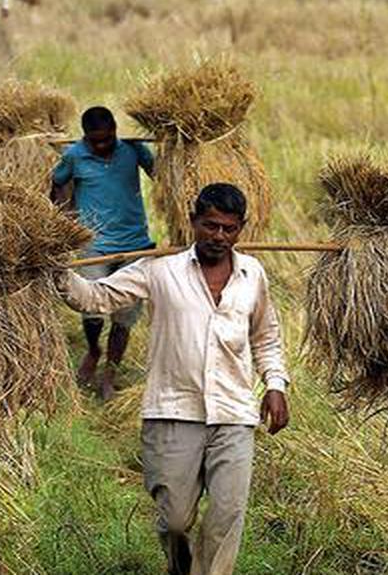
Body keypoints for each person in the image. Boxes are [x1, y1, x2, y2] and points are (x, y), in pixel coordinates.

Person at [60, 183, 290, 575]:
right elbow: (96, 298)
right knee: (176, 521)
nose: (219, 237)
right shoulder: (159, 268)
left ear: (242, 228)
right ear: (193, 221)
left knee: (226, 514)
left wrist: (275, 385)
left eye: (229, 229)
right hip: (173, 412)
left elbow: (266, 336)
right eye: (210, 226)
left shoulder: (253, 274)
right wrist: (56, 271)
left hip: (234, 414)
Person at [51, 106, 156, 401]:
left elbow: (162, 176)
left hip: (135, 244)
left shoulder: (135, 150)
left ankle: (110, 372)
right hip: (94, 246)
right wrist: (65, 220)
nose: (101, 146)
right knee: (91, 307)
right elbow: (57, 184)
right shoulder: (73, 155)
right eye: (94, 141)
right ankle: (94, 349)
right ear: (85, 137)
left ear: (115, 132)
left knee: (124, 316)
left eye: (107, 139)